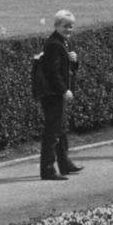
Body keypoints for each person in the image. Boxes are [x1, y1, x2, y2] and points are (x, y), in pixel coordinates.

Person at [36, 10, 81, 180]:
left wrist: (74, 61)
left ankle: (65, 163)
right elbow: (52, 72)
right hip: (53, 94)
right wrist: (64, 90)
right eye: (65, 26)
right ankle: (47, 169)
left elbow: (66, 69)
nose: (69, 29)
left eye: (71, 26)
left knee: (60, 129)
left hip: (56, 93)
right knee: (52, 132)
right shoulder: (55, 44)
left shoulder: (63, 42)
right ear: (56, 26)